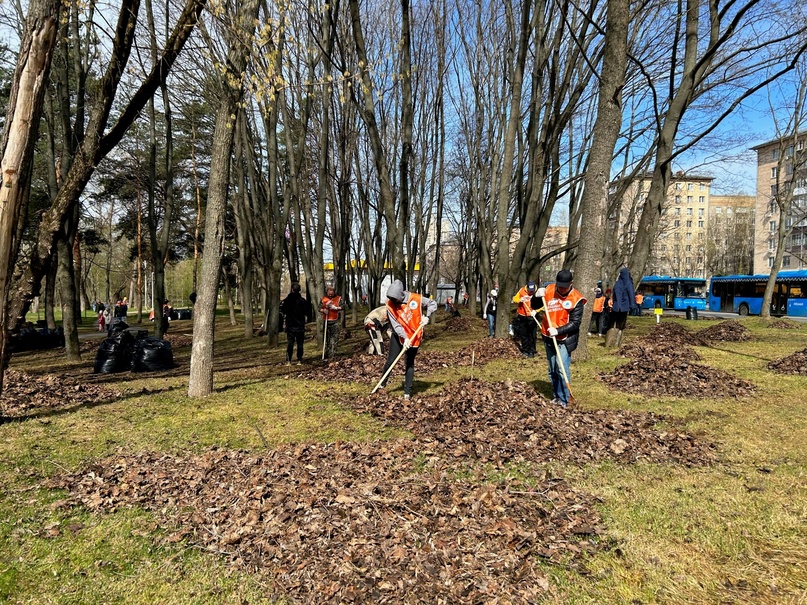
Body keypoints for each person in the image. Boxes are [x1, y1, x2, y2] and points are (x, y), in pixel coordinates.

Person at [378, 279, 437, 400]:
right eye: (391, 298)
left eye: (395, 298)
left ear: (401, 295)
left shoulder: (415, 298)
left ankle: (407, 392)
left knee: (409, 363)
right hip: (398, 335)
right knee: (390, 361)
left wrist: (427, 316)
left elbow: (433, 304)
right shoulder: (389, 305)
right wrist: (404, 338)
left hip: (415, 335)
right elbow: (396, 325)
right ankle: (381, 385)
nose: (393, 301)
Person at [535, 269, 586, 408]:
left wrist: (557, 330)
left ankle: (565, 398)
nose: (561, 289)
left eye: (564, 286)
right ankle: (557, 396)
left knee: (561, 368)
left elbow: (575, 324)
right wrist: (536, 296)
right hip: (548, 336)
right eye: (559, 286)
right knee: (552, 369)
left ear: (571, 284)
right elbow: (534, 305)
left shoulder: (576, 299)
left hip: (564, 338)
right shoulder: (549, 290)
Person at [281, 283, 308, 364]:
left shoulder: (287, 301)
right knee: (300, 343)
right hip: (300, 324)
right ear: (299, 290)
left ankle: (289, 360)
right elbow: (307, 312)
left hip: (290, 324)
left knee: (290, 342)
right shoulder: (303, 301)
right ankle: (299, 359)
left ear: (292, 289)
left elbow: (283, 310)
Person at [512, 280, 539, 357]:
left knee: (532, 334)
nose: (531, 293)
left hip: (532, 315)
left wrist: (536, 311)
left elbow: (543, 305)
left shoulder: (537, 293)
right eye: (530, 291)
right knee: (524, 334)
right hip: (522, 316)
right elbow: (514, 299)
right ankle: (525, 350)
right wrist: (519, 300)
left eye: (532, 291)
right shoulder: (521, 291)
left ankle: (532, 351)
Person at [609, 264, 637, 331]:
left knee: (614, 319)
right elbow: (631, 294)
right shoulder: (628, 283)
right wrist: (632, 305)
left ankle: (613, 329)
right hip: (625, 305)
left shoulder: (617, 283)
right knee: (621, 321)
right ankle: (619, 329)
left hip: (616, 305)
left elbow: (614, 294)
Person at [320, 286, 343, 359]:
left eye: (331, 294)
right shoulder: (323, 299)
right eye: (329, 294)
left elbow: (343, 306)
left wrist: (336, 308)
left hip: (335, 321)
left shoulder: (338, 299)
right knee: (326, 339)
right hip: (326, 321)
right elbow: (318, 308)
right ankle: (325, 354)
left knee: (334, 339)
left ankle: (332, 355)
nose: (330, 295)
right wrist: (323, 310)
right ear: (327, 292)